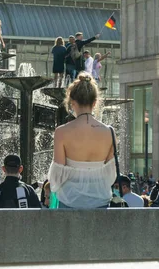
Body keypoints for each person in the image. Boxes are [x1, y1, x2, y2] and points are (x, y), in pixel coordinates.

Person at [48, 73, 116, 209]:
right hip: (101, 201)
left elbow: (57, 176)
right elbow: (110, 176)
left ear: (72, 103)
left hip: (69, 200)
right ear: (95, 102)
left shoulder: (62, 132)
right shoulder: (109, 132)